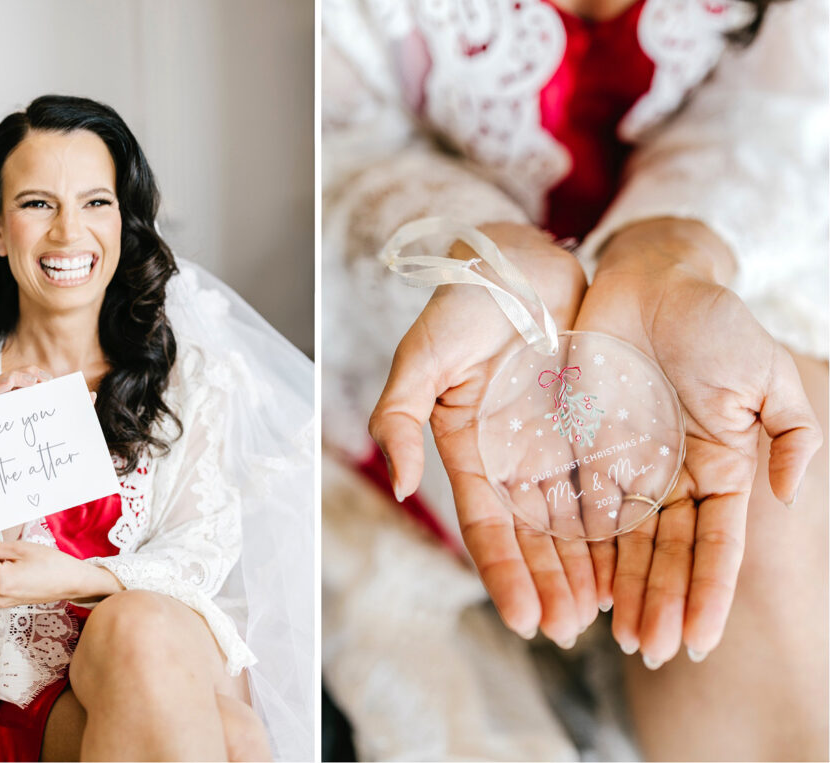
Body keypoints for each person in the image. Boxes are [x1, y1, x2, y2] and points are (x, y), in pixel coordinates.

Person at [323, 0, 827, 759]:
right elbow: (335, 149)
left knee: (756, 474)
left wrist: (670, 249)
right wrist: (489, 258)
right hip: (450, 332)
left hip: (730, 257)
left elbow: (790, 109)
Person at [0, 95, 313, 761]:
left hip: (158, 638)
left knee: (137, 624)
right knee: (236, 735)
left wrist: (84, 578)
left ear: (124, 220)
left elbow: (203, 549)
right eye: (38, 203)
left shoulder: (186, 378)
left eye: (96, 202)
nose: (69, 232)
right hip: (4, 681)